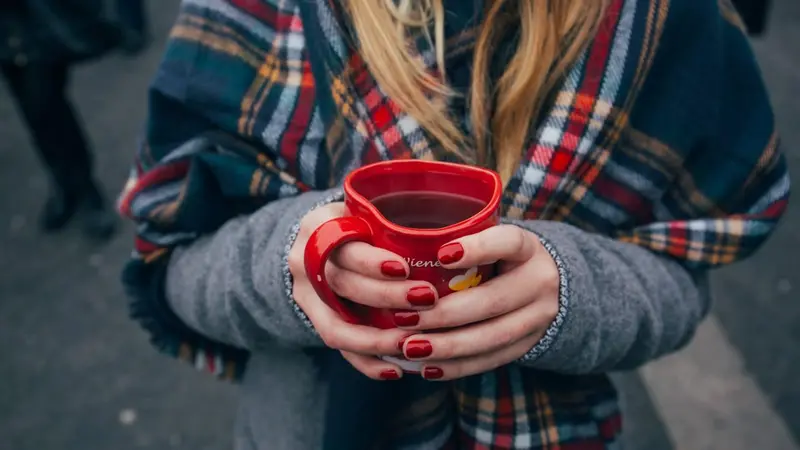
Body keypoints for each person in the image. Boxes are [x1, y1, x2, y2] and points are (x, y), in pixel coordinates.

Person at [119, 0, 790, 449]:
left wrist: (571, 292)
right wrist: (294, 260)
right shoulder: (259, 9)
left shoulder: (662, 20)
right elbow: (174, 266)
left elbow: (681, 278)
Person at [1, 0, 118, 238]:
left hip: (33, 21)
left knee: (47, 103)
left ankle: (86, 189)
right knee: (33, 112)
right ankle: (64, 184)